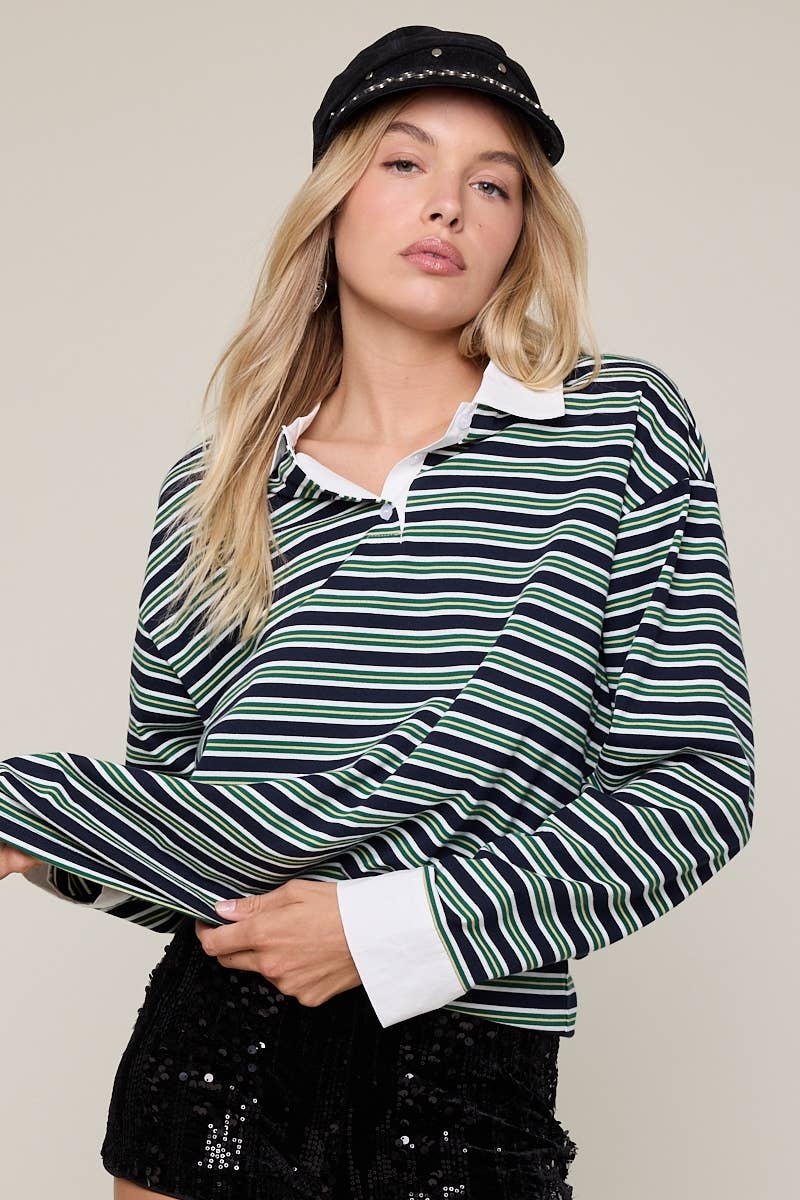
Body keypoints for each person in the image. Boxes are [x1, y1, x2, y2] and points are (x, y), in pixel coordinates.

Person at [0, 25, 754, 1200]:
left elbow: (694, 790)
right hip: (216, 1056)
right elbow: (193, 840)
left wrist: (390, 930)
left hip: (468, 1061)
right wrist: (50, 839)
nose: (446, 204)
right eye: (404, 162)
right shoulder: (214, 494)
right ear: (333, 198)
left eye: (491, 183)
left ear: (521, 231)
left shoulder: (614, 432)